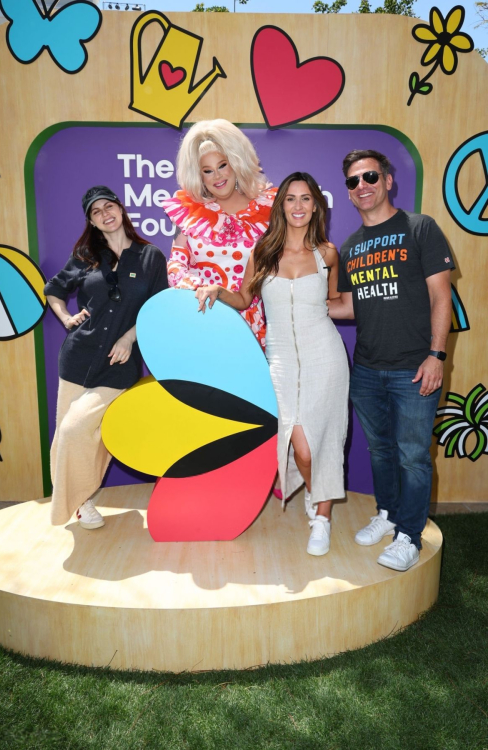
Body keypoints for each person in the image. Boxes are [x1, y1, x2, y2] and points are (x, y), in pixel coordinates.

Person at [196, 172, 349, 556]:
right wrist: (217, 289)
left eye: (306, 199)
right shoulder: (262, 251)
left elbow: (336, 302)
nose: (298, 206)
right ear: (281, 205)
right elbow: (245, 298)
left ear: (316, 205)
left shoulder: (327, 253)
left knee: (322, 439)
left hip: (324, 353)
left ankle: (322, 517)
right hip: (279, 355)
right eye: (290, 199)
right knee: (300, 444)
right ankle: (317, 493)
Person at [329, 149, 454, 571]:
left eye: (368, 177)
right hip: (365, 369)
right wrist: (293, 299)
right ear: (348, 193)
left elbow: (441, 296)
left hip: (414, 368)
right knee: (381, 451)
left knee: (413, 456)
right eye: (352, 182)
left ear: (387, 181)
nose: (361, 186)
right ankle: (388, 514)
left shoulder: (420, 228)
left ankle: (409, 536)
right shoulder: (350, 247)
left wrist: (436, 355)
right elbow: (346, 307)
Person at [44, 186, 168, 529]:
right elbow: (53, 290)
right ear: (92, 222)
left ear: (121, 209)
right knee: (65, 435)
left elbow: (156, 309)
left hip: (118, 364)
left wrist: (129, 338)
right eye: (96, 211)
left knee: (74, 430)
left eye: (108, 206)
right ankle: (82, 503)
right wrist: (66, 318)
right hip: (77, 358)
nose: (104, 213)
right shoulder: (85, 255)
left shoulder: (150, 256)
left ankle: (71, 499)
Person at [162, 119, 277, 351]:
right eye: (207, 171)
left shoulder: (269, 210)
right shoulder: (191, 211)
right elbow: (175, 265)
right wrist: (202, 289)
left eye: (222, 165)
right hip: (202, 318)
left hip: (251, 324)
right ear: (200, 175)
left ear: (236, 163)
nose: (217, 176)